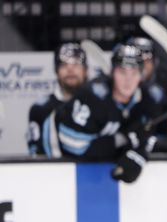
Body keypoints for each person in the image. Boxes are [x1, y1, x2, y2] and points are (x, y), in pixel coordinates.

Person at [47, 44, 160, 183]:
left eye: (134, 73)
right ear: (113, 73)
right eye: (122, 72)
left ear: (141, 76)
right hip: (57, 154)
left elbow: (150, 135)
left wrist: (139, 154)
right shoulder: (92, 97)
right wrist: (123, 141)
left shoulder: (147, 99)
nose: (128, 80)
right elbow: (75, 147)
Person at [27, 43, 88, 156]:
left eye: (76, 64)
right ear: (56, 71)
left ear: (85, 71)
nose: (70, 70)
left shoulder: (98, 105)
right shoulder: (40, 108)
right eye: (64, 65)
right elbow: (35, 153)